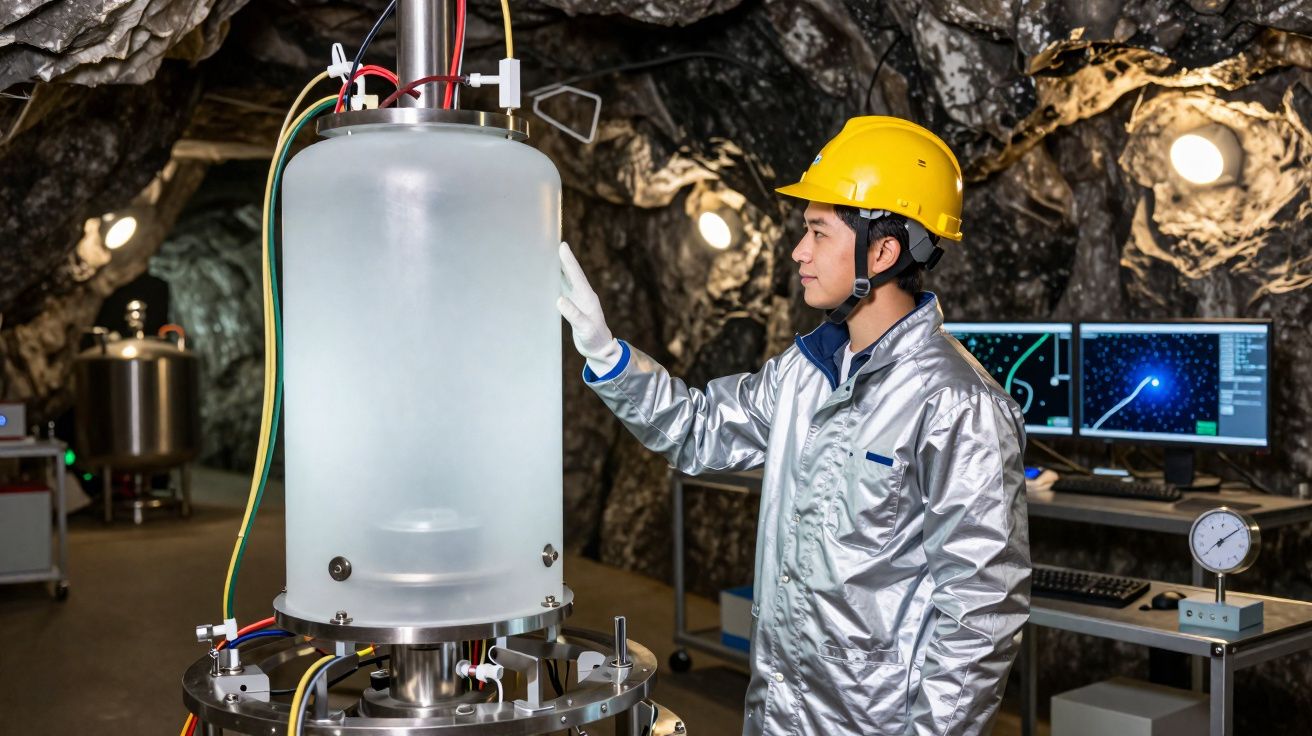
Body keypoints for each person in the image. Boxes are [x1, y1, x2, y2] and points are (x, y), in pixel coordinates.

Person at [557, 116, 1030, 735]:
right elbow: (699, 431)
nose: (797, 251)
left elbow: (980, 612)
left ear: (882, 252)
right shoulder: (803, 374)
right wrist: (605, 354)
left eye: (817, 232)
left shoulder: (957, 403)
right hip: (779, 715)